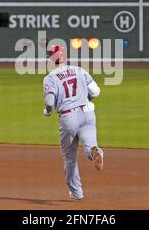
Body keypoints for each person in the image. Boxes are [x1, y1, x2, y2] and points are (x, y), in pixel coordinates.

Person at [43, 45, 104, 200]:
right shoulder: (79, 70)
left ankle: (77, 194)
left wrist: (48, 112)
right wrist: (85, 100)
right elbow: (96, 91)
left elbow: (50, 102)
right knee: (90, 146)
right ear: (64, 56)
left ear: (51, 58)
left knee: (69, 157)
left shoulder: (50, 77)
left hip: (69, 118)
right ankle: (95, 152)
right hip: (88, 113)